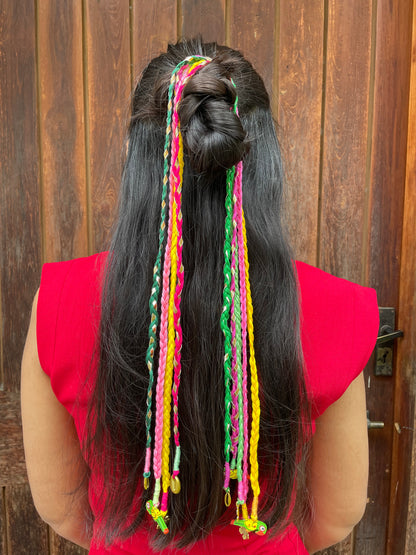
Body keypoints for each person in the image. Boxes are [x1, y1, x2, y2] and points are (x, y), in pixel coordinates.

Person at [21, 38, 379, 554]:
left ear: (136, 159)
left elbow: (63, 509)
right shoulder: (337, 309)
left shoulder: (59, 300)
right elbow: (336, 516)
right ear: (265, 159)